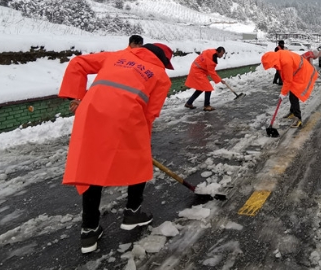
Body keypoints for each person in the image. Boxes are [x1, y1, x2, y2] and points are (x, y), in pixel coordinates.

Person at [58, 43, 174, 254]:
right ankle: (132, 213)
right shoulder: (161, 76)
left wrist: (76, 97)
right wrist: (141, 145)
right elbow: (150, 114)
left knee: (92, 166)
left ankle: (89, 231)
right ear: (163, 61)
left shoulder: (116, 56)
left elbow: (78, 63)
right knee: (139, 162)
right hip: (128, 118)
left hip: (91, 112)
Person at [261, 49, 319, 128]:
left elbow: (288, 80)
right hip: (298, 71)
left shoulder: (286, 62)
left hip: (302, 73)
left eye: (272, 65)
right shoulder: (279, 55)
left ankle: (298, 118)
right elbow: (284, 74)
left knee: (294, 94)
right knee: (292, 93)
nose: (272, 67)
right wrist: (285, 88)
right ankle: (292, 112)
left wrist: (283, 93)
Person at [184, 47, 227, 111]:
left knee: (201, 88)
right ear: (218, 52)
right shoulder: (212, 58)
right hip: (197, 71)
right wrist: (220, 80)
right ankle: (206, 106)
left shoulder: (211, 51)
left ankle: (189, 103)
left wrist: (219, 79)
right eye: (222, 54)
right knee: (208, 88)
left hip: (196, 68)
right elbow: (212, 72)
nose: (222, 55)